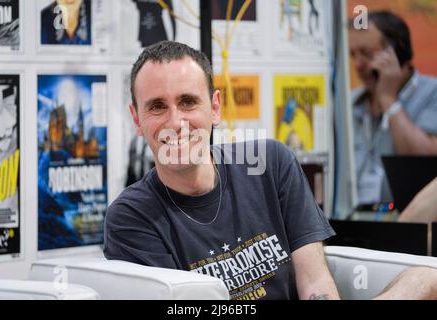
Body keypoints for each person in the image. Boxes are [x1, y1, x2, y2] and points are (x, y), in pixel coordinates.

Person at [104, 41, 437, 300]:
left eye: (189, 102)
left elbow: (314, 280)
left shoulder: (270, 163)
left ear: (215, 108)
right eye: (158, 106)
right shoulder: (131, 216)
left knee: (424, 278)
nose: (176, 122)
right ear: (137, 119)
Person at [348, 10, 437, 206]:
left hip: (410, 222)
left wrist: (389, 100)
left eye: (367, 53)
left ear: (399, 52)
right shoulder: (351, 102)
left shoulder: (432, 92)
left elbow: (425, 165)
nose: (358, 64)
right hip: (353, 220)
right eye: (353, 54)